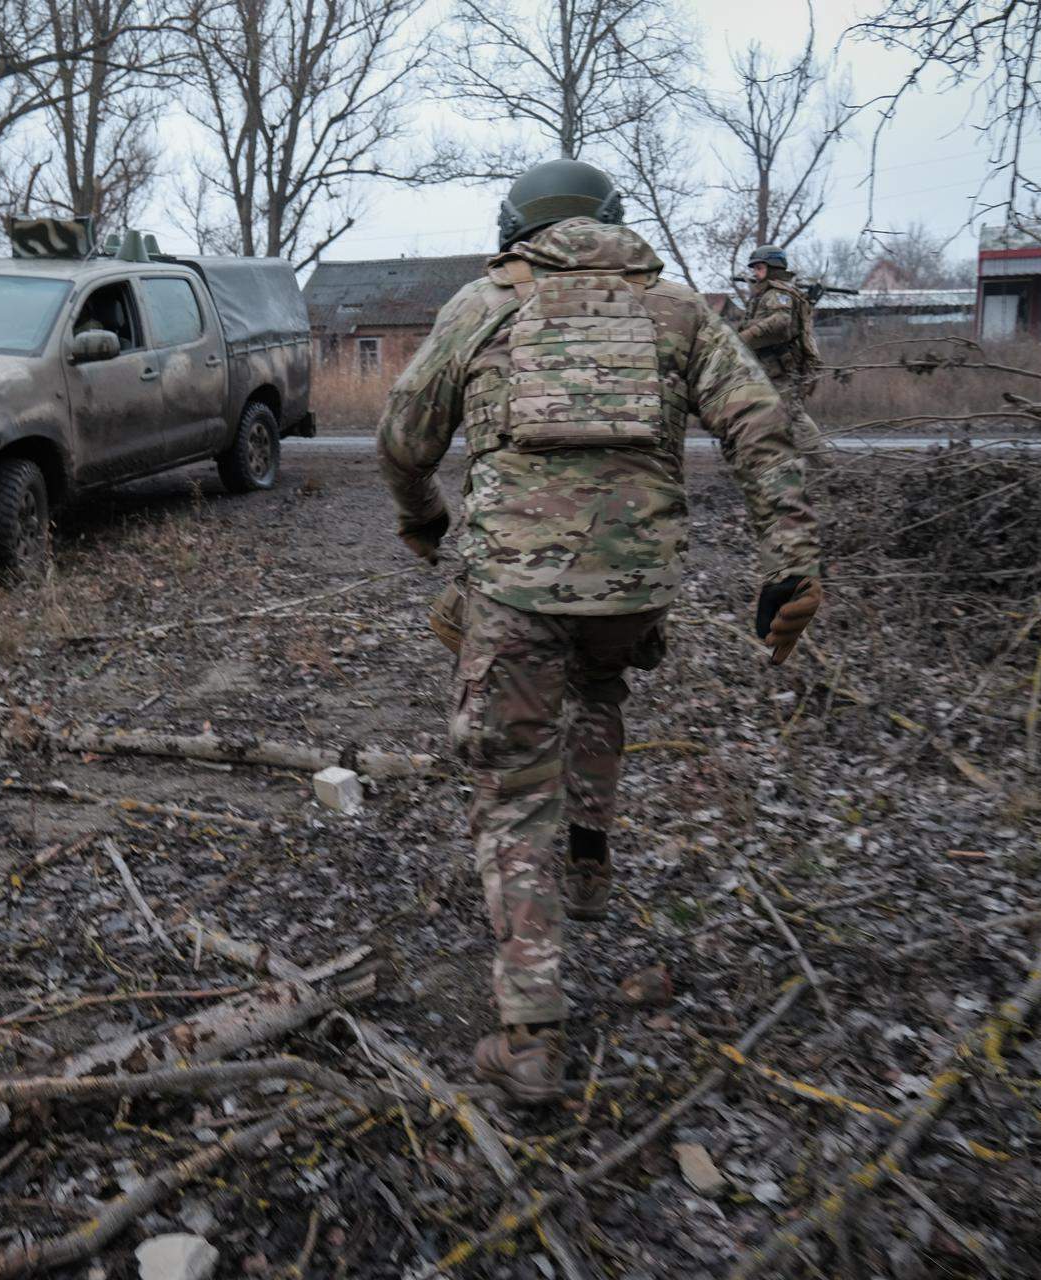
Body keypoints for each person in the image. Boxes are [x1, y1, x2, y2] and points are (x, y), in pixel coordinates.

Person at [377, 159, 824, 1103]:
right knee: (601, 687)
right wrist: (789, 556)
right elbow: (762, 429)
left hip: (517, 589)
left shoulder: (484, 303)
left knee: (511, 784)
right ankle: (586, 867)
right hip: (636, 590)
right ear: (612, 222)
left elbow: (403, 437)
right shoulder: (679, 310)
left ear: (517, 228)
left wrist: (424, 521)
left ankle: (532, 1035)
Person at [737, 245, 824, 459]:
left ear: (773, 266)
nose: (755, 273)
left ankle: (823, 463)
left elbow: (781, 321)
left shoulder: (778, 293)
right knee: (768, 417)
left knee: (793, 416)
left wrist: (743, 338)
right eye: (754, 268)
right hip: (766, 369)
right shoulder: (766, 293)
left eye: (759, 268)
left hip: (781, 369)